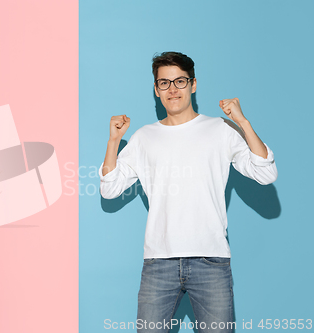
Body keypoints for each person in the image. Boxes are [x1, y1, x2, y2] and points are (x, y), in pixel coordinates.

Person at [99, 52, 277, 333]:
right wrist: (113, 142)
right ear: (156, 90)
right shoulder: (144, 137)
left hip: (211, 260)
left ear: (193, 84)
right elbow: (110, 190)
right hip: (159, 262)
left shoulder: (219, 129)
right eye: (164, 83)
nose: (172, 89)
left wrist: (242, 123)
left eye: (179, 81)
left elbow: (266, 172)